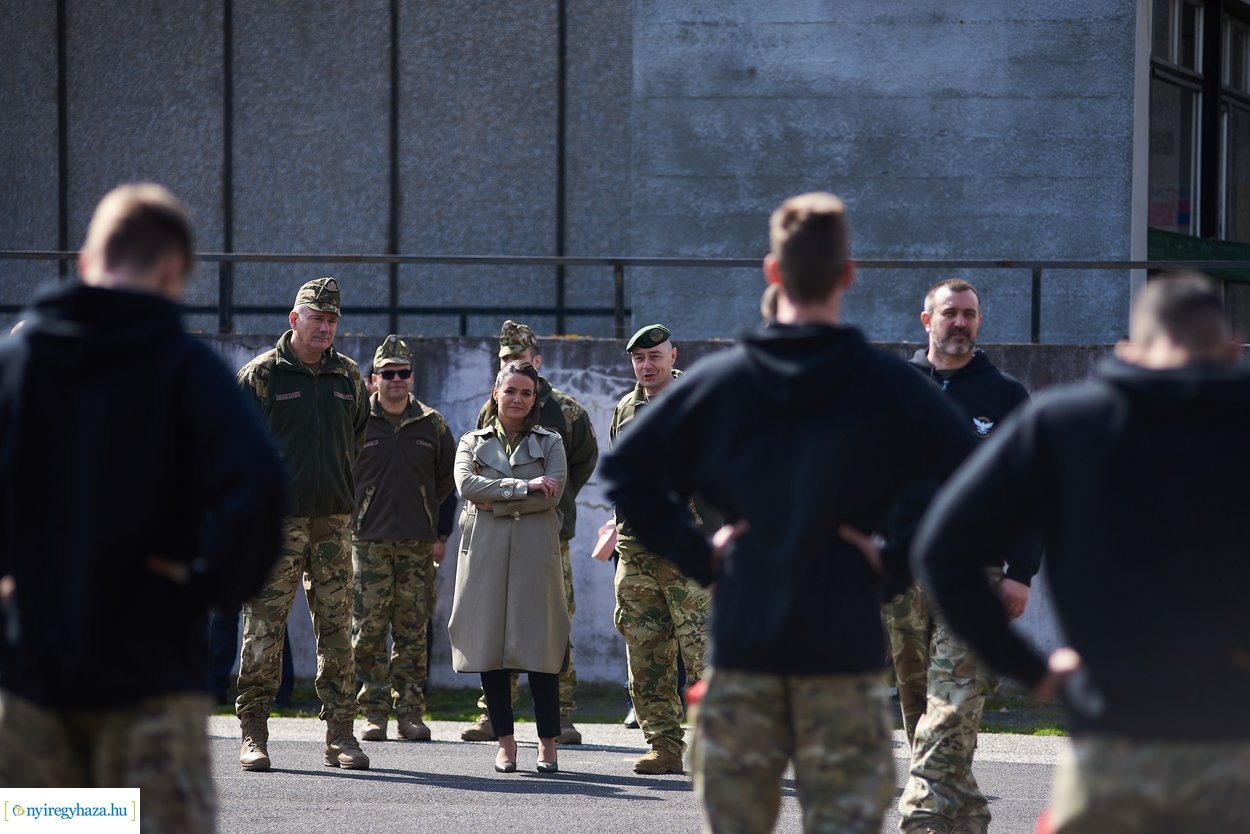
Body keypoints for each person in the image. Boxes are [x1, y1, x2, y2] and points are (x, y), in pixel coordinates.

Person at [601, 192, 974, 833]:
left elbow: (624, 472)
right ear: (849, 274)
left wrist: (702, 555)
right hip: (844, 653)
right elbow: (970, 472)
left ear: (772, 273)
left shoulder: (724, 383)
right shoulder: (889, 384)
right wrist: (891, 562)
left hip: (747, 647)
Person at [913, 273, 1250, 834]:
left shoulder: (1065, 423)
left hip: (1109, 732)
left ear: (1130, 350)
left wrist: (1031, 668)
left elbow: (941, 549)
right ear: (1227, 349)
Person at [0, 184, 287, 832]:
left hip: (34, 673)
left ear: (85, 262)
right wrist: (210, 586)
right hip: (151, 675)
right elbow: (263, 484)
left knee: (52, 825)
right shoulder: (186, 369)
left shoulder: (15, 365)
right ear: (171, 271)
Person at [885, 278, 1040, 834]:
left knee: (952, 708)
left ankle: (922, 819)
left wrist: (1020, 572)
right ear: (926, 320)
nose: (960, 322)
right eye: (949, 313)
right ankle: (966, 815)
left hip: (975, 574)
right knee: (919, 713)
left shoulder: (1005, 396)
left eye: (969, 314)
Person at [235, 276, 371, 771]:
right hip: (276, 524)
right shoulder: (261, 376)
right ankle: (253, 732)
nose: (326, 328)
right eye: (318, 318)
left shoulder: (349, 377)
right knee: (264, 629)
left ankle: (341, 735)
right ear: (295, 320)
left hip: (333, 524)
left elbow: (355, 439)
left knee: (338, 630)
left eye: (333, 320)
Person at [460, 320, 598, 745]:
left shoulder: (567, 412)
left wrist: (546, 498)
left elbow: (577, 468)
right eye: (505, 362)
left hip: (548, 535)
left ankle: (562, 715)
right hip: (496, 535)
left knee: (550, 624)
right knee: (495, 624)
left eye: (521, 360)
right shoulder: (488, 415)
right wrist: (525, 491)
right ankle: (494, 718)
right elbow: (472, 478)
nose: (514, 369)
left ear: (537, 362)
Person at [449, 360, 569, 774]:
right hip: (484, 554)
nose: (518, 399)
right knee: (489, 649)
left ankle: (548, 742)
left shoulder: (550, 441)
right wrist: (525, 487)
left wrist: (495, 500)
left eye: (526, 393)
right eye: (511, 390)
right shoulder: (471, 441)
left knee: (542, 648)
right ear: (495, 393)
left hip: (536, 554)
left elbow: (552, 495)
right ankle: (505, 742)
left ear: (535, 399)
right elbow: (466, 486)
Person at [605, 323, 713, 774]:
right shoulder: (625, 409)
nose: (646, 366)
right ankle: (664, 746)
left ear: (673, 355)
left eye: (655, 357)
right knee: (646, 657)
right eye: (638, 359)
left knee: (705, 655)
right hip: (637, 552)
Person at [352, 335, 455, 742]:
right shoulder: (358, 420)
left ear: (412, 377)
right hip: (368, 541)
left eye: (403, 372)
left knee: (412, 630)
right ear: (374, 379)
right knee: (369, 629)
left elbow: (447, 483)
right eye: (387, 373)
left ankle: (410, 711)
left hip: (417, 542)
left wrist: (440, 532)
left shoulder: (433, 424)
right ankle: (373, 710)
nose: (396, 379)